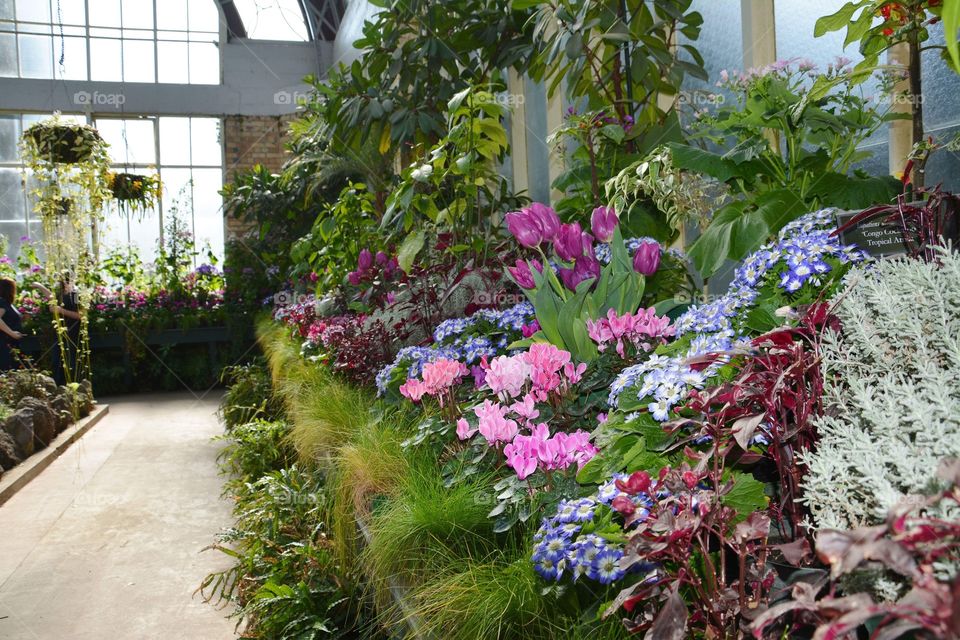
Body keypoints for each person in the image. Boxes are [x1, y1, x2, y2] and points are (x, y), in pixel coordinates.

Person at [34, 275, 82, 385]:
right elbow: (51, 298)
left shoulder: (75, 294)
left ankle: (73, 387)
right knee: (56, 361)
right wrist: (40, 286)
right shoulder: (60, 294)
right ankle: (59, 388)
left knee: (71, 362)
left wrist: (60, 310)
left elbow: (80, 315)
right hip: (59, 333)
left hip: (73, 333)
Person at [0, 277, 25, 372]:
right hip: (4, 344)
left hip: (11, 344)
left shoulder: (7, 303)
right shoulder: (2, 302)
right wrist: (12, 333)